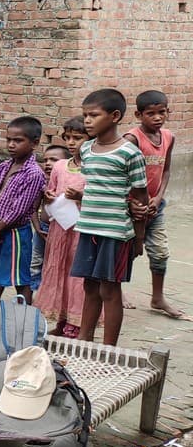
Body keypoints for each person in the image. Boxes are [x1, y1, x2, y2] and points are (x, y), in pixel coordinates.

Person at [72, 89, 149, 346]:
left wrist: (139, 237)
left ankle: (109, 348)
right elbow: (97, 187)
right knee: (89, 286)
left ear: (115, 116)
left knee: (109, 289)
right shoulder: (86, 150)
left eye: (94, 115)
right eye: (85, 115)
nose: (87, 121)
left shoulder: (129, 153)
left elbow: (140, 196)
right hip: (89, 228)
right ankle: (84, 340)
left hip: (115, 232)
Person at [123, 90, 187, 320]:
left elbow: (166, 170)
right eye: (151, 113)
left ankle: (157, 297)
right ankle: (116, 290)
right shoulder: (132, 140)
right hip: (130, 208)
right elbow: (123, 175)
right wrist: (132, 203)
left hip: (155, 207)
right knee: (127, 251)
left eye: (162, 112)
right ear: (139, 114)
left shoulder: (168, 137)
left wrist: (158, 197)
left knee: (160, 252)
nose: (157, 118)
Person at [0, 116, 46, 304]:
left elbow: (18, 210)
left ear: (34, 143)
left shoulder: (34, 173)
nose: (11, 145)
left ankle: (23, 317)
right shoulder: (4, 166)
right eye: (9, 139)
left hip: (16, 232)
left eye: (18, 141)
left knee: (20, 278)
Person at [36, 120, 87, 338]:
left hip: (83, 230)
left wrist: (81, 197)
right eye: (67, 138)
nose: (72, 142)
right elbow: (52, 193)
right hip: (61, 229)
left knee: (79, 276)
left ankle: (78, 324)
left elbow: (103, 198)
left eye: (77, 138)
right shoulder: (59, 166)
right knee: (60, 271)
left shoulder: (94, 168)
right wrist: (48, 197)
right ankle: (64, 319)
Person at [30, 144, 71, 296]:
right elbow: (32, 209)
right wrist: (37, 228)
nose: (48, 163)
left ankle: (56, 294)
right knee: (37, 261)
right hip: (43, 228)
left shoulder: (70, 183)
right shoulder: (42, 183)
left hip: (62, 230)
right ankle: (35, 291)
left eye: (54, 160)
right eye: (45, 160)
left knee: (58, 262)